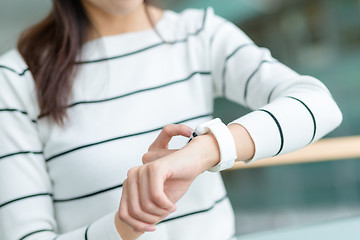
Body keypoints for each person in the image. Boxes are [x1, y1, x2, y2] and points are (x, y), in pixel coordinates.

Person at [0, 0, 342, 239]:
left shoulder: (199, 33)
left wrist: (203, 151)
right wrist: (125, 226)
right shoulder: (16, 77)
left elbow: (318, 104)